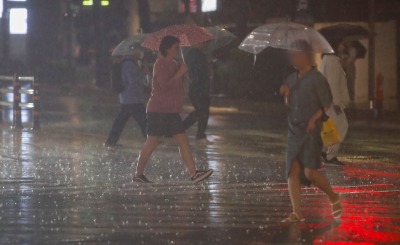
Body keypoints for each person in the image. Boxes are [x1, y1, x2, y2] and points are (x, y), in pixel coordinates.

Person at [133, 36, 213, 184]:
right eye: (176, 47)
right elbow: (165, 85)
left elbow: (178, 84)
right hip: (158, 109)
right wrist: (179, 73)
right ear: (167, 48)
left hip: (172, 110)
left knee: (183, 141)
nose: (178, 50)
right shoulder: (160, 64)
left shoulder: (176, 64)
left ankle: (194, 173)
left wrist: (185, 75)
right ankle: (138, 174)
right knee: (152, 142)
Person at [279, 40, 342, 222]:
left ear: (306, 55)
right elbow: (289, 106)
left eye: (295, 54)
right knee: (292, 170)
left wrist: (314, 119)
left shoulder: (317, 79)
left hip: (311, 131)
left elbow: (326, 105)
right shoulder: (291, 79)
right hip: (294, 129)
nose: (292, 58)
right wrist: (287, 95)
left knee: (310, 172)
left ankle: (333, 196)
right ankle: (297, 212)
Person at [104, 45, 147, 148]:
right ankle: (151, 140)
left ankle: (111, 141)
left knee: (121, 121)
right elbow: (133, 81)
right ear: (133, 52)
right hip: (132, 98)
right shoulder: (129, 64)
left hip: (127, 98)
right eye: (139, 50)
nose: (141, 53)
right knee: (144, 120)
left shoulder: (130, 63)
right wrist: (142, 73)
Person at [320, 42, 350, 165]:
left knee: (331, 127)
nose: (343, 45)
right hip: (333, 103)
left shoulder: (329, 60)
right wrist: (337, 103)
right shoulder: (332, 61)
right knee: (341, 127)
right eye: (341, 43)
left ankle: (324, 150)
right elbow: (332, 84)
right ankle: (330, 155)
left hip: (329, 102)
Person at [183, 42, 211, 143]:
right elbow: (193, 71)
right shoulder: (193, 54)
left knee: (203, 111)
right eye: (204, 42)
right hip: (197, 88)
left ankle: (199, 134)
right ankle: (198, 134)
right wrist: (196, 80)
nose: (206, 44)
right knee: (201, 111)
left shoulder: (200, 54)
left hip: (202, 87)